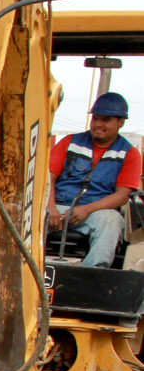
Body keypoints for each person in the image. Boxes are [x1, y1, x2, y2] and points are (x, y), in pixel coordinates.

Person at [47, 92, 140, 267]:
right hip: (57, 206)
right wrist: (50, 206)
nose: (98, 124)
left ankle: (90, 275)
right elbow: (48, 177)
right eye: (96, 118)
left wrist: (87, 209)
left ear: (121, 122)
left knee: (111, 221)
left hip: (95, 212)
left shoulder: (129, 154)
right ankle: (21, 267)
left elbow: (122, 195)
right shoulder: (70, 142)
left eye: (105, 120)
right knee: (28, 216)